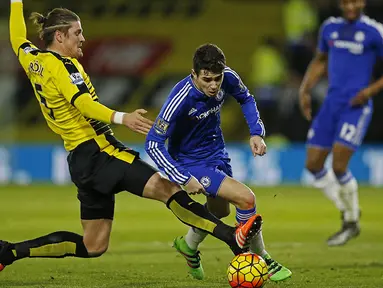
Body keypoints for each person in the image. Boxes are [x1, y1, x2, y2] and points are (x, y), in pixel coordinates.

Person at [0, 0, 262, 272]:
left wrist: (16, 2)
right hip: (101, 152)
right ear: (60, 36)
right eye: (77, 33)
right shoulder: (63, 67)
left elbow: (17, 37)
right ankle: (231, 237)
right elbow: (82, 103)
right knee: (169, 189)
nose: (83, 38)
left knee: (93, 245)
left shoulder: (33, 58)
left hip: (80, 162)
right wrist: (122, 117)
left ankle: (8, 252)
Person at [145, 43, 292, 282]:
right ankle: (262, 258)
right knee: (246, 199)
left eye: (217, 78)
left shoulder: (229, 78)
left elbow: (246, 98)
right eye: (207, 79)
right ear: (194, 74)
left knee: (219, 211)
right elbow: (153, 143)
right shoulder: (179, 98)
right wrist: (183, 177)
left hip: (217, 154)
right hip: (191, 162)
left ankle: (188, 245)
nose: (213, 85)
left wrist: (256, 132)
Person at [299, 0, 383, 246]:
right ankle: (347, 211)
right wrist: (305, 89)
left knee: (338, 165)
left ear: (363, 2)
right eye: (346, 1)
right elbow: (320, 60)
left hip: (355, 107)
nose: (349, 6)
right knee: (313, 164)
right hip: (331, 103)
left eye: (354, 1)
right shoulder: (329, 28)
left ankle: (350, 219)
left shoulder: (374, 31)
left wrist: (368, 92)